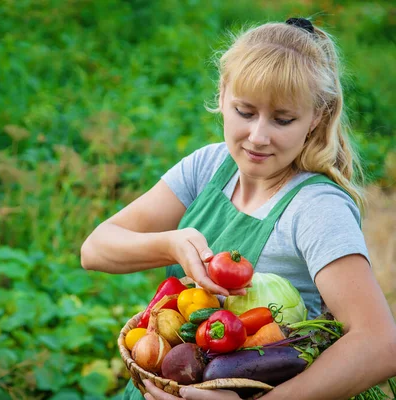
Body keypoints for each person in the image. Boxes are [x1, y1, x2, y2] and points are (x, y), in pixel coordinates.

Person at [80, 17, 396, 400]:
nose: (258, 137)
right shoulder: (208, 167)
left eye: (283, 119)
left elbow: (380, 343)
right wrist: (170, 244)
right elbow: (95, 249)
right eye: (245, 112)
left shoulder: (316, 208)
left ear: (317, 117)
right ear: (222, 93)